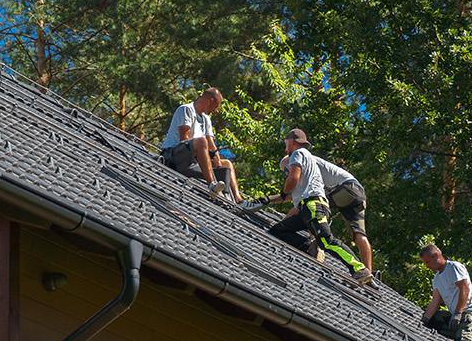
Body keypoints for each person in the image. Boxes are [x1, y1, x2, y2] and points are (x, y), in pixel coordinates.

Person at [261, 129, 372, 283]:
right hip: (334, 199)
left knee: (326, 240)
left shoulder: (299, 155)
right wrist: (270, 203)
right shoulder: (309, 174)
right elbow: (296, 202)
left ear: (291, 142)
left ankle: (359, 269)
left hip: (331, 195)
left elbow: (292, 183)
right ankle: (310, 247)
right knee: (278, 230)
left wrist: (281, 193)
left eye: (285, 170)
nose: (285, 173)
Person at [158, 87, 241, 201]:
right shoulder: (186, 109)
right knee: (201, 141)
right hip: (173, 157)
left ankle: (237, 199)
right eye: (215, 106)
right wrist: (203, 158)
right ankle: (212, 185)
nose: (215, 110)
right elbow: (184, 139)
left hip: (193, 160)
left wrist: (218, 165)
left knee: (227, 164)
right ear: (210, 101)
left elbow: (211, 145)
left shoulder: (206, 119)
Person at [315, 155, 372, 276]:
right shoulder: (322, 166)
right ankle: (367, 272)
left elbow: (296, 193)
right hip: (358, 192)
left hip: (343, 189)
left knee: (312, 208)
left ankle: (316, 246)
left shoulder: (302, 160)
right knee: (359, 234)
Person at [419, 244, 472, 341]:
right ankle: (452, 336)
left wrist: (458, 313)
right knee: (434, 318)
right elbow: (435, 301)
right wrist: (425, 320)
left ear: (436, 255)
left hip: (470, 313)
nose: (427, 266)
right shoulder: (436, 279)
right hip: (455, 316)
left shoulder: (453, 267)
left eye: (427, 262)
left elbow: (464, 289)